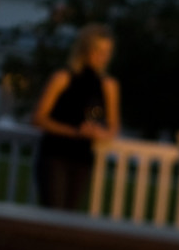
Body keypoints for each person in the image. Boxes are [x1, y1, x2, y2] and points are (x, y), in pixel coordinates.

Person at [32, 23, 120, 210]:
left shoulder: (109, 86)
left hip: (82, 157)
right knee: (52, 212)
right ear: (85, 49)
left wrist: (99, 132)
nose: (102, 56)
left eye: (107, 51)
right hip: (55, 153)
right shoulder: (62, 78)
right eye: (97, 50)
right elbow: (38, 118)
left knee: (70, 215)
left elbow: (113, 127)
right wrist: (74, 131)